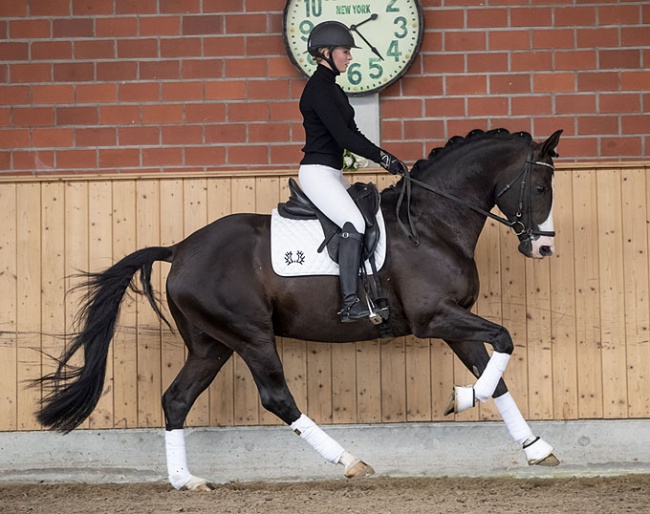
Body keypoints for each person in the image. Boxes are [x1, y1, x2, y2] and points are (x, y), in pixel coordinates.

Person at [298, 20, 408, 323]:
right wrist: (384, 159)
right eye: (345, 51)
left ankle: (368, 292)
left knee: (366, 219)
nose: (349, 57)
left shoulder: (333, 89)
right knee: (354, 222)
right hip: (317, 172)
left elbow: (354, 132)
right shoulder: (319, 89)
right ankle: (349, 303)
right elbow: (345, 138)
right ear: (325, 52)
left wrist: (384, 157)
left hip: (331, 172)